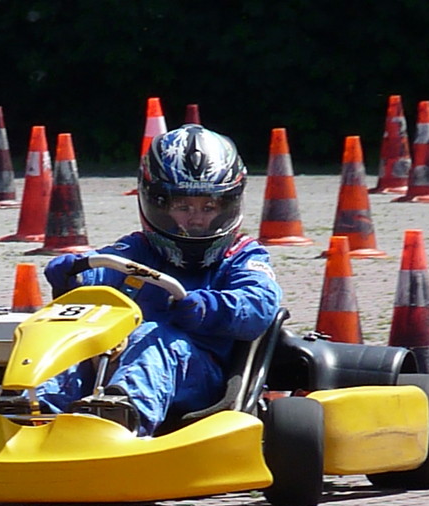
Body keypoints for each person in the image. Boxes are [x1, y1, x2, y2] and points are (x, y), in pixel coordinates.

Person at [38, 123, 282, 437]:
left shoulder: (242, 256)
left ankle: (123, 420)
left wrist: (207, 308)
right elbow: (101, 268)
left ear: (229, 203)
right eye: (183, 207)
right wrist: (73, 274)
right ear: (158, 203)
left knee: (154, 336)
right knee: (72, 337)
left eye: (208, 207)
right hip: (116, 364)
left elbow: (259, 306)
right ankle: (36, 410)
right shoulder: (139, 248)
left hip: (202, 375)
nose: (195, 218)